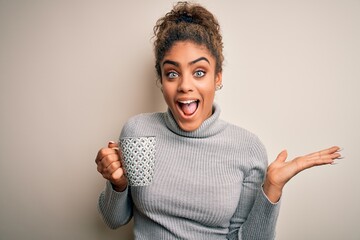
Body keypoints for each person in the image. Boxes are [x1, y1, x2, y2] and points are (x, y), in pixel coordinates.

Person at [95, 2, 342, 239]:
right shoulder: (140, 133)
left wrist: (272, 189)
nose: (184, 86)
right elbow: (114, 220)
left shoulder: (246, 149)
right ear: (161, 81)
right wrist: (118, 184)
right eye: (172, 73)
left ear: (218, 78)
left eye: (199, 72)